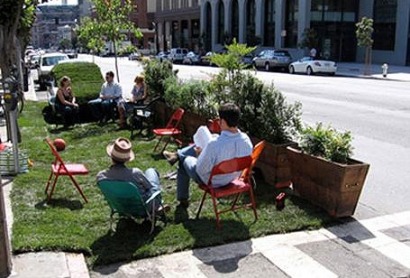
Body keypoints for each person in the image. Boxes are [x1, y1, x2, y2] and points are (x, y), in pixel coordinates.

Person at [163, 103, 253, 207]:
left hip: (213, 181)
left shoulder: (214, 145)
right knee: (205, 143)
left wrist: (200, 155)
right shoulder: (246, 140)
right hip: (231, 177)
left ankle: (183, 199)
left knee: (185, 161)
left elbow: (200, 170)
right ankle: (178, 155)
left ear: (223, 121)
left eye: (219, 120)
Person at [97, 137, 170, 212]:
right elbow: (149, 187)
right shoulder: (135, 173)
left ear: (111, 156)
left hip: (121, 207)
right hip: (143, 207)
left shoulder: (101, 176)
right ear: (127, 159)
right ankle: (156, 207)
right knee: (151, 171)